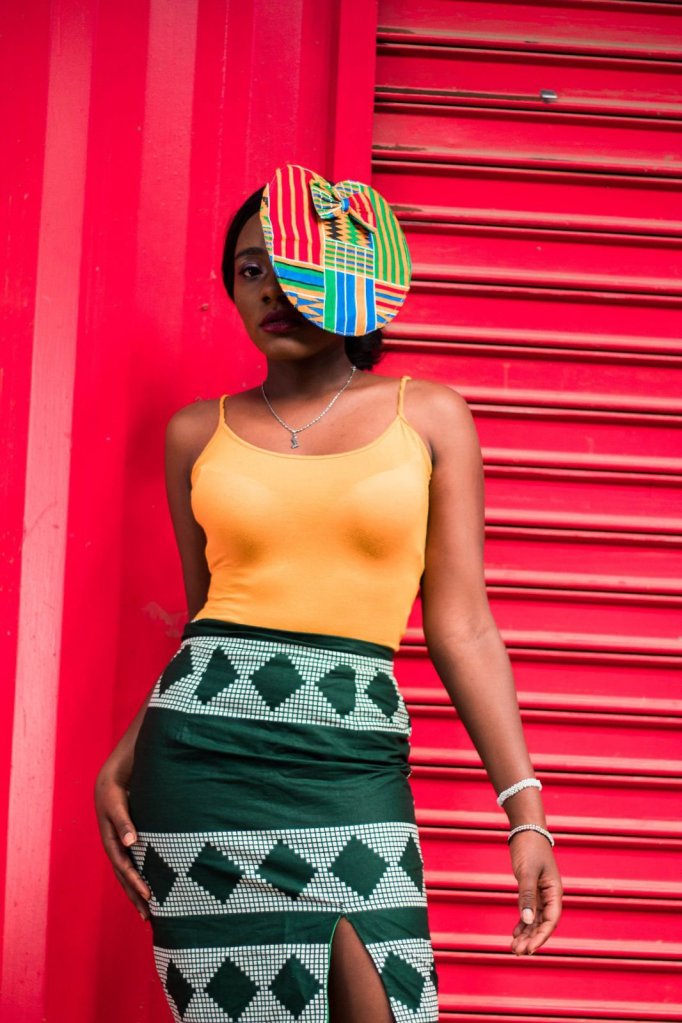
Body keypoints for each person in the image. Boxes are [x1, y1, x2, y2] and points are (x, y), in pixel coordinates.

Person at [94, 165, 562, 1023]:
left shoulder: (430, 416)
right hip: (199, 769)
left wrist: (523, 809)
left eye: (293, 266)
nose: (269, 289)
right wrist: (125, 752)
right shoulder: (196, 432)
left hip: (351, 760)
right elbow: (212, 622)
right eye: (249, 269)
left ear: (354, 278)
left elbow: (462, 624)